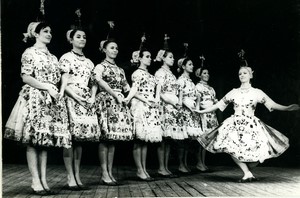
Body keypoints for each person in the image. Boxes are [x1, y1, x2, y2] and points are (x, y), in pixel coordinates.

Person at [196, 66, 300, 182]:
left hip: (251, 125)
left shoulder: (256, 92)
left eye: (245, 73)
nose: (242, 75)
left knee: (257, 154)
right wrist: (201, 111)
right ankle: (247, 173)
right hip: (234, 124)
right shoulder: (234, 92)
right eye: (240, 73)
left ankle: (248, 172)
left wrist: (286, 108)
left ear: (251, 75)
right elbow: (218, 105)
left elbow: (271, 104)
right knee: (231, 147)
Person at [4, 22, 71, 195]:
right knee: (34, 141)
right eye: (45, 31)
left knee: (44, 142)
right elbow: (26, 77)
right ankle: (35, 181)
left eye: (50, 31)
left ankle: (43, 180)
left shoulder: (53, 57)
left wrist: (59, 90)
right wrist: (46, 87)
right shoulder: (30, 53)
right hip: (35, 97)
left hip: (50, 99)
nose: (49, 34)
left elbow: (63, 74)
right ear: (36, 33)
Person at [59, 28, 100, 190]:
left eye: (84, 37)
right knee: (69, 140)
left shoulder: (89, 62)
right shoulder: (66, 58)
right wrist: (76, 97)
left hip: (86, 99)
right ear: (71, 40)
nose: (82, 39)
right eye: (78, 37)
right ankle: (70, 176)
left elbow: (94, 83)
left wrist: (92, 96)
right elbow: (63, 82)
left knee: (80, 141)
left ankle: (77, 175)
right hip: (71, 98)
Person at [92, 39, 133, 185]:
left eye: (116, 48)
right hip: (106, 102)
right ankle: (104, 173)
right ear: (104, 49)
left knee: (112, 140)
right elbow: (98, 81)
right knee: (105, 139)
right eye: (111, 48)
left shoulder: (120, 70)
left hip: (118, 104)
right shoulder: (100, 66)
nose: (115, 50)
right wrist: (115, 94)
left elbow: (127, 88)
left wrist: (128, 97)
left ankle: (110, 172)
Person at [124, 49, 162, 181]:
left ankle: (144, 169)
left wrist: (155, 100)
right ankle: (139, 170)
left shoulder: (151, 76)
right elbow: (134, 91)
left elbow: (157, 89)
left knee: (145, 141)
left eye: (150, 56)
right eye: (147, 56)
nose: (149, 59)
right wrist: (146, 101)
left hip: (150, 107)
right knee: (138, 140)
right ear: (140, 58)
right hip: (140, 106)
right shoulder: (137, 73)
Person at [154, 50, 187, 177]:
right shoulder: (160, 73)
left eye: (173, 57)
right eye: (170, 57)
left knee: (168, 139)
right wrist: (171, 102)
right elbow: (159, 92)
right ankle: (161, 168)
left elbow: (177, 91)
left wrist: (178, 102)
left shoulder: (172, 75)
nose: (173, 59)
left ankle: (166, 167)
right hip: (165, 106)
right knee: (163, 138)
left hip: (173, 106)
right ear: (163, 58)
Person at [176, 58, 202, 173]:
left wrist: (196, 109)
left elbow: (196, 97)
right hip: (185, 111)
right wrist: (190, 108)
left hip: (192, 111)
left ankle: (185, 164)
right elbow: (180, 97)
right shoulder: (181, 80)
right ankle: (181, 164)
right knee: (183, 139)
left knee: (188, 140)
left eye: (192, 64)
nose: (192, 66)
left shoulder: (191, 81)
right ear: (183, 66)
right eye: (190, 64)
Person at [195, 67, 219, 172]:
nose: (207, 75)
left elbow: (214, 100)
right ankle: (199, 163)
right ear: (199, 75)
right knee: (202, 139)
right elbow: (198, 102)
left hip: (211, 115)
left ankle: (203, 163)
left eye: (208, 73)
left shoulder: (211, 88)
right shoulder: (198, 87)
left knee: (207, 140)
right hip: (203, 114)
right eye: (204, 73)